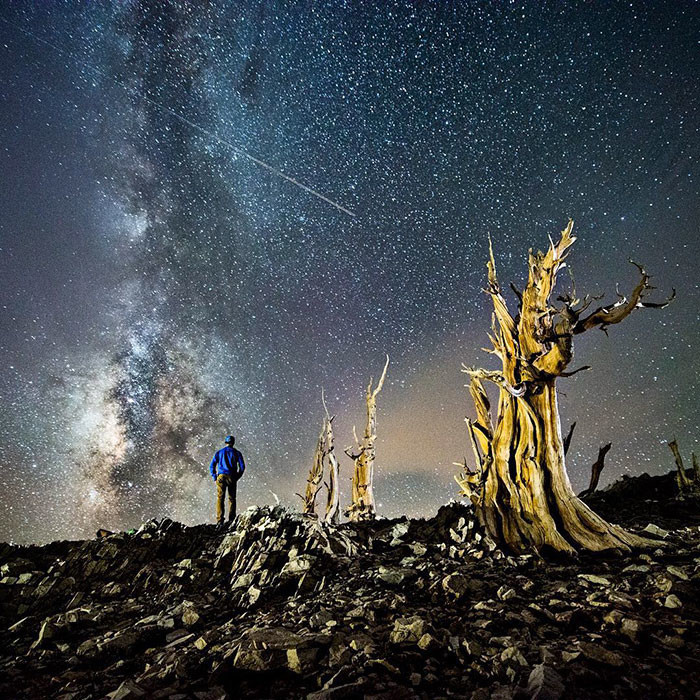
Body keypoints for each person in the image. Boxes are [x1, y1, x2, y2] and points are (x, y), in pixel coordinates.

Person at [209, 435, 245, 527]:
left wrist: (214, 476)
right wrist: (237, 476)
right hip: (232, 476)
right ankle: (231, 519)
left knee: (220, 498)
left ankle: (220, 520)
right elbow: (242, 467)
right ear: (233, 442)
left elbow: (212, 465)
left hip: (221, 477)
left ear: (225, 442)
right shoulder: (237, 453)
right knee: (232, 499)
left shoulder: (219, 452)